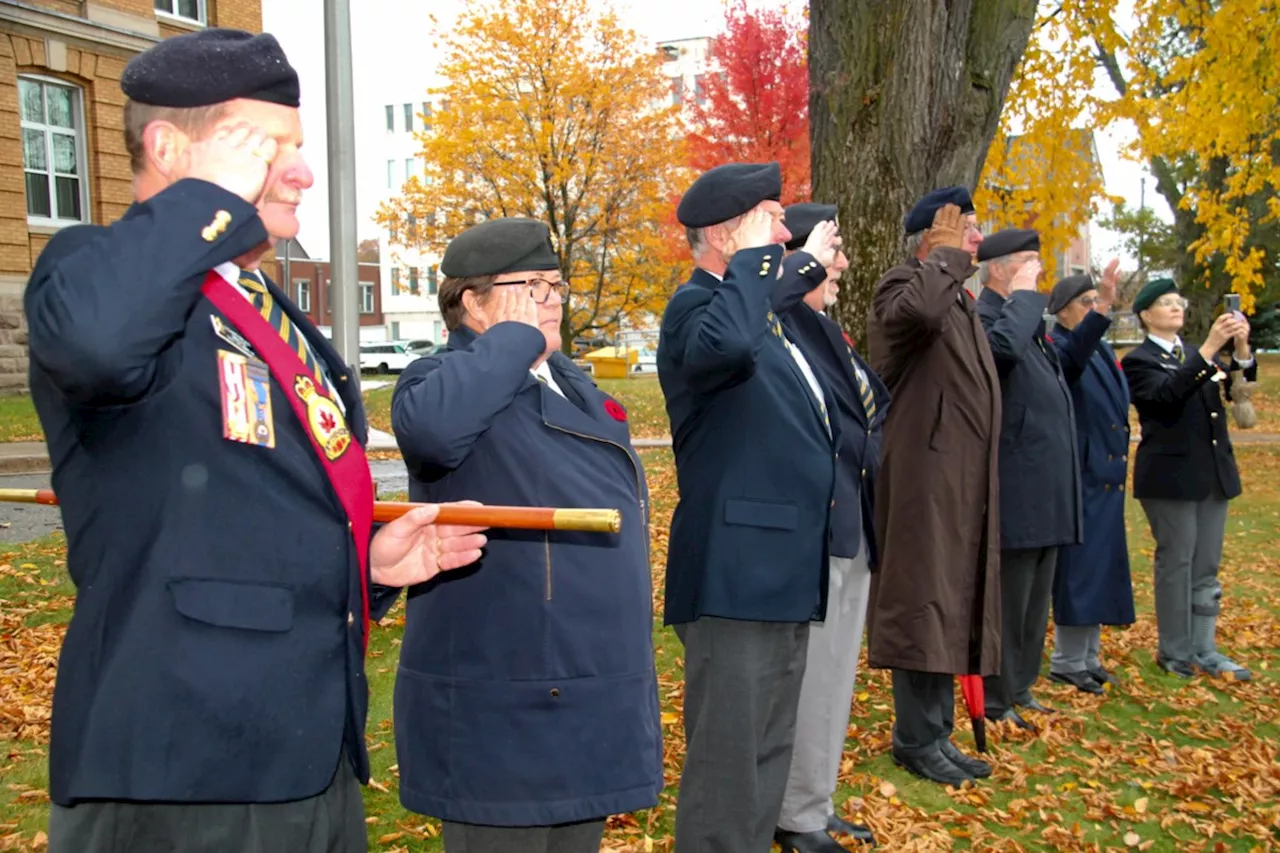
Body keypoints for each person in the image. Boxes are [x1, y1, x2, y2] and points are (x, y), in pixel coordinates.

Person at [24, 28, 488, 853]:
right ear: (169, 149)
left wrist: (370, 566)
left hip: (304, 755)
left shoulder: (266, 309)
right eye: (266, 147)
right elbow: (97, 345)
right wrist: (210, 198)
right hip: (179, 765)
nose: (301, 170)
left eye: (296, 147)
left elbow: (258, 509)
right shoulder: (92, 269)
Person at [387, 217, 664, 853]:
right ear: (471, 302)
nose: (553, 301)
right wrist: (511, 339)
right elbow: (431, 432)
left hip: (588, 687)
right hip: (506, 702)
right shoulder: (439, 380)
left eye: (557, 285)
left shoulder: (570, 381)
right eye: (531, 286)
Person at [658, 162, 838, 853]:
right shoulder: (699, 307)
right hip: (735, 573)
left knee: (765, 753)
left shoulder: (755, 307)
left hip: (781, 566)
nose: (785, 233)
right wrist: (760, 263)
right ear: (727, 235)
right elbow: (728, 344)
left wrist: (769, 270)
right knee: (727, 766)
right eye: (770, 219)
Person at [864, 187, 1000, 787]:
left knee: (948, 601)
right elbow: (914, 319)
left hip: (959, 480)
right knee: (924, 601)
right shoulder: (903, 284)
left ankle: (936, 733)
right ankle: (915, 737)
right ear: (931, 239)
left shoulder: (958, 300)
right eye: (963, 228)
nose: (976, 238)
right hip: (924, 477)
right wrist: (942, 260)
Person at [772, 203, 886, 852]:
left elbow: (870, 409)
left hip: (850, 522)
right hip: (816, 531)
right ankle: (798, 816)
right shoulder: (782, 321)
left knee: (834, 678)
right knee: (813, 681)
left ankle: (815, 800)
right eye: (829, 251)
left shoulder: (823, 329)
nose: (840, 263)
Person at [973, 228, 1105, 729]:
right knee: (1009, 601)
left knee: (1034, 602)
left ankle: (1021, 686)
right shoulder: (988, 316)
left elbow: (1067, 364)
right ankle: (995, 696)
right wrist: (1025, 297)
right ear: (1000, 269)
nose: (1038, 273)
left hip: (1047, 487)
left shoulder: (1029, 321)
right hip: (1016, 485)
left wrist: (1101, 310)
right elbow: (999, 355)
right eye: (1027, 263)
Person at [1122, 278, 1255, 681]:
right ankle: (1175, 651)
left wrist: (1242, 347)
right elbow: (1165, 397)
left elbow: (1238, 388)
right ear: (1146, 315)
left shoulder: (1198, 354)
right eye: (1165, 302)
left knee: (1206, 567)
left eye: (1178, 301)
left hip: (1212, 474)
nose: (1176, 307)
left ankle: (1205, 647)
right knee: (1177, 563)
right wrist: (1211, 348)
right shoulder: (1138, 360)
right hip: (1171, 478)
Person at [1045, 267, 1136, 693]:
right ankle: (1067, 659)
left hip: (1105, 472)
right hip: (1082, 475)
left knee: (1102, 567)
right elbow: (1073, 360)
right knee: (1080, 570)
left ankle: (1088, 657)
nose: (1093, 310)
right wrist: (1103, 308)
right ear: (1063, 312)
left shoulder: (1098, 349)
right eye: (1085, 303)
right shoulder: (1062, 345)